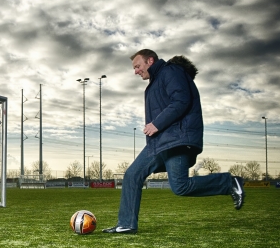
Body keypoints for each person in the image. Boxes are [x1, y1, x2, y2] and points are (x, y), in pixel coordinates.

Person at [103, 49, 245, 234]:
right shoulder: (156, 81)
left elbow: (181, 101)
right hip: (161, 142)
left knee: (180, 186)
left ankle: (230, 183)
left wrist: (156, 124)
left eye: (138, 66)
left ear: (150, 61)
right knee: (132, 174)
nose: (135, 71)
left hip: (176, 139)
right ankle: (126, 224)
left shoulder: (171, 72)